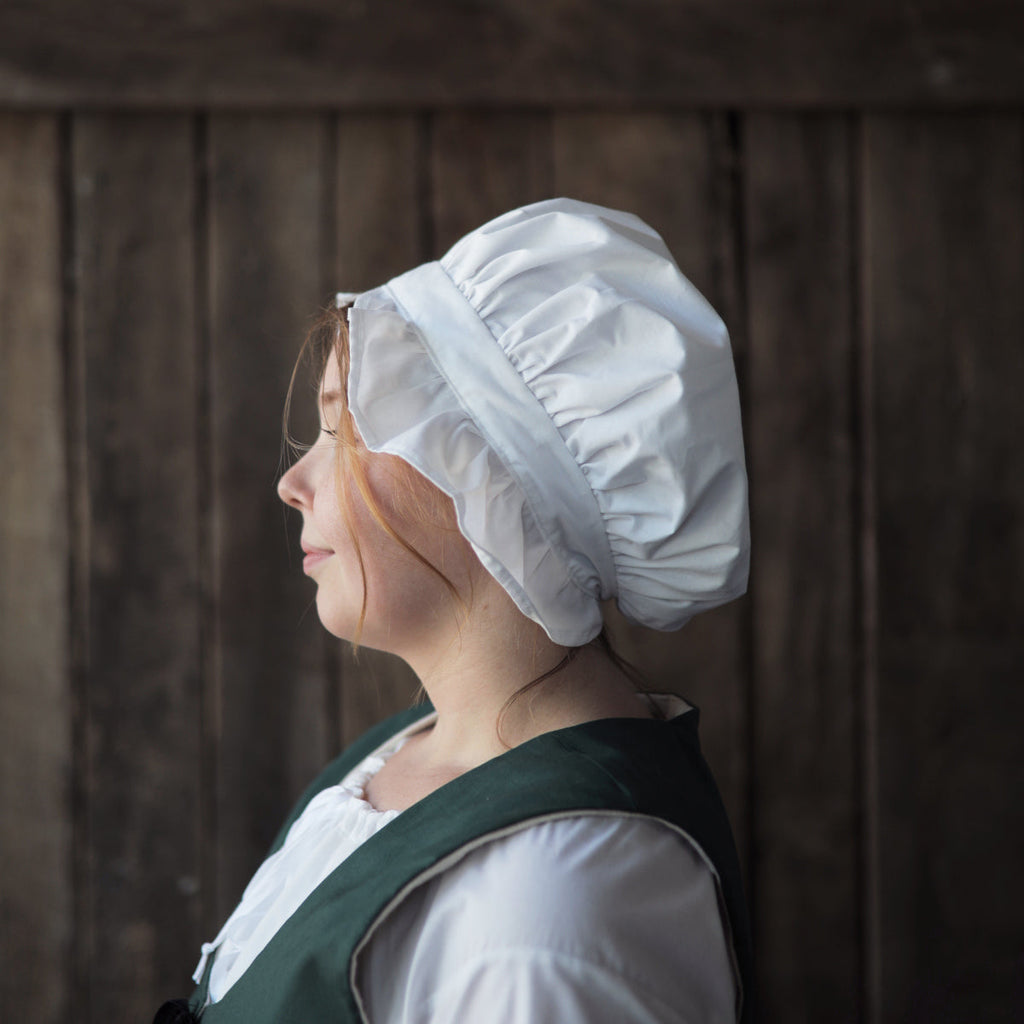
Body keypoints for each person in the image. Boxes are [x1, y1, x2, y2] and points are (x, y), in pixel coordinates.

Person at [154, 198, 753, 1023]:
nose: (292, 483)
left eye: (344, 432)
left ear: (488, 480)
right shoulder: (401, 755)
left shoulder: (544, 906)